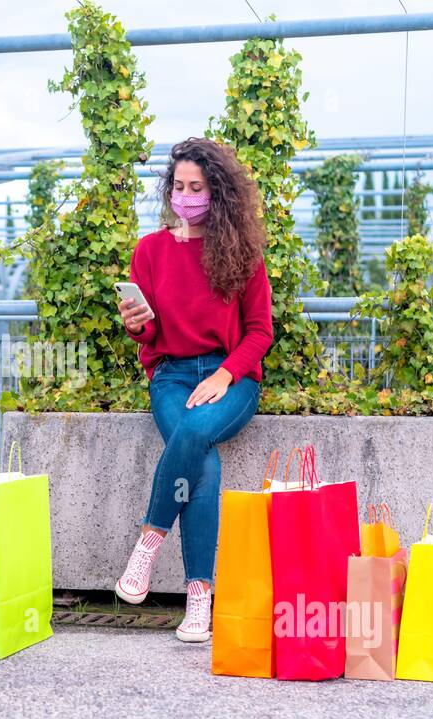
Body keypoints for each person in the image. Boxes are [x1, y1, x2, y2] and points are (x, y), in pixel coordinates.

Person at [115, 137, 274, 643]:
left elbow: (260, 331)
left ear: (217, 193)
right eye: (178, 186)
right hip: (172, 376)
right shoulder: (151, 250)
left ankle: (149, 537)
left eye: (196, 187)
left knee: (196, 431)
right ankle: (200, 596)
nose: (185, 196)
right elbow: (149, 336)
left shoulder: (242, 254)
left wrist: (225, 374)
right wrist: (136, 323)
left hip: (232, 378)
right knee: (200, 456)